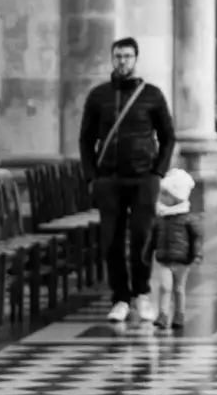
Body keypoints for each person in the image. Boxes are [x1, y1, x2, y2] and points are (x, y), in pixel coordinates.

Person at [78, 36, 176, 325]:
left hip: (144, 177)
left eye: (128, 56)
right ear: (112, 59)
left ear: (136, 59)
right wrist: (91, 175)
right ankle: (120, 297)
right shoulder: (98, 96)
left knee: (142, 236)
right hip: (109, 178)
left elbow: (168, 137)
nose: (122, 61)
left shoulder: (152, 95)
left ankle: (142, 292)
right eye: (118, 56)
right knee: (112, 240)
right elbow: (86, 139)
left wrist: (158, 171)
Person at [149, 167, 202, 333]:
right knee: (165, 287)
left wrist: (196, 255)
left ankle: (179, 315)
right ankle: (163, 315)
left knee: (178, 289)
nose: (161, 198)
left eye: (166, 194)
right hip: (164, 258)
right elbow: (153, 237)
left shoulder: (187, 218)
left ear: (178, 197)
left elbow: (196, 238)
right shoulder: (160, 217)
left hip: (182, 260)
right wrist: (147, 252)